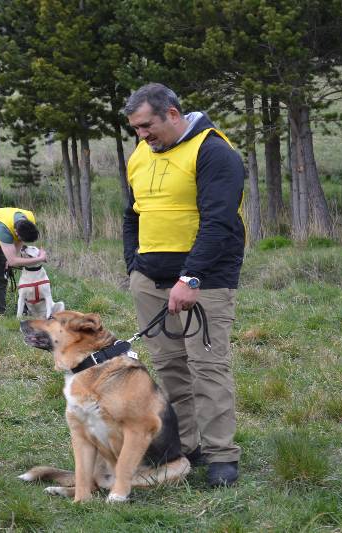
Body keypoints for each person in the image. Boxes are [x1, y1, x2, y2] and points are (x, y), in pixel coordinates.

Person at [122, 83, 246, 488]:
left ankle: (221, 455)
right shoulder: (141, 154)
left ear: (172, 114)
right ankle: (188, 447)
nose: (142, 134)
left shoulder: (214, 152)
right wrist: (133, 268)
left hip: (203, 282)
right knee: (170, 365)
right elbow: (132, 214)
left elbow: (219, 222)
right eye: (136, 128)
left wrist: (190, 278)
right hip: (150, 279)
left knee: (208, 367)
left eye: (147, 125)